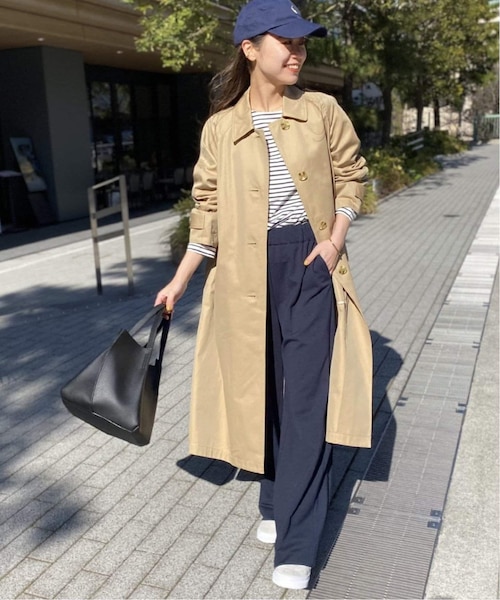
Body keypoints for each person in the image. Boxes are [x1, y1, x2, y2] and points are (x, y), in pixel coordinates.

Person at [155, 0, 373, 590]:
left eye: (303, 43)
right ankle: (275, 499)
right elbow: (207, 211)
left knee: (305, 403)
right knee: (266, 393)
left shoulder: (321, 110)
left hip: (308, 264)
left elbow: (352, 176)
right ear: (250, 49)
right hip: (241, 276)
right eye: (286, 42)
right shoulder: (221, 128)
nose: (298, 52)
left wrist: (333, 242)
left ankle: (298, 543)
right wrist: (181, 279)